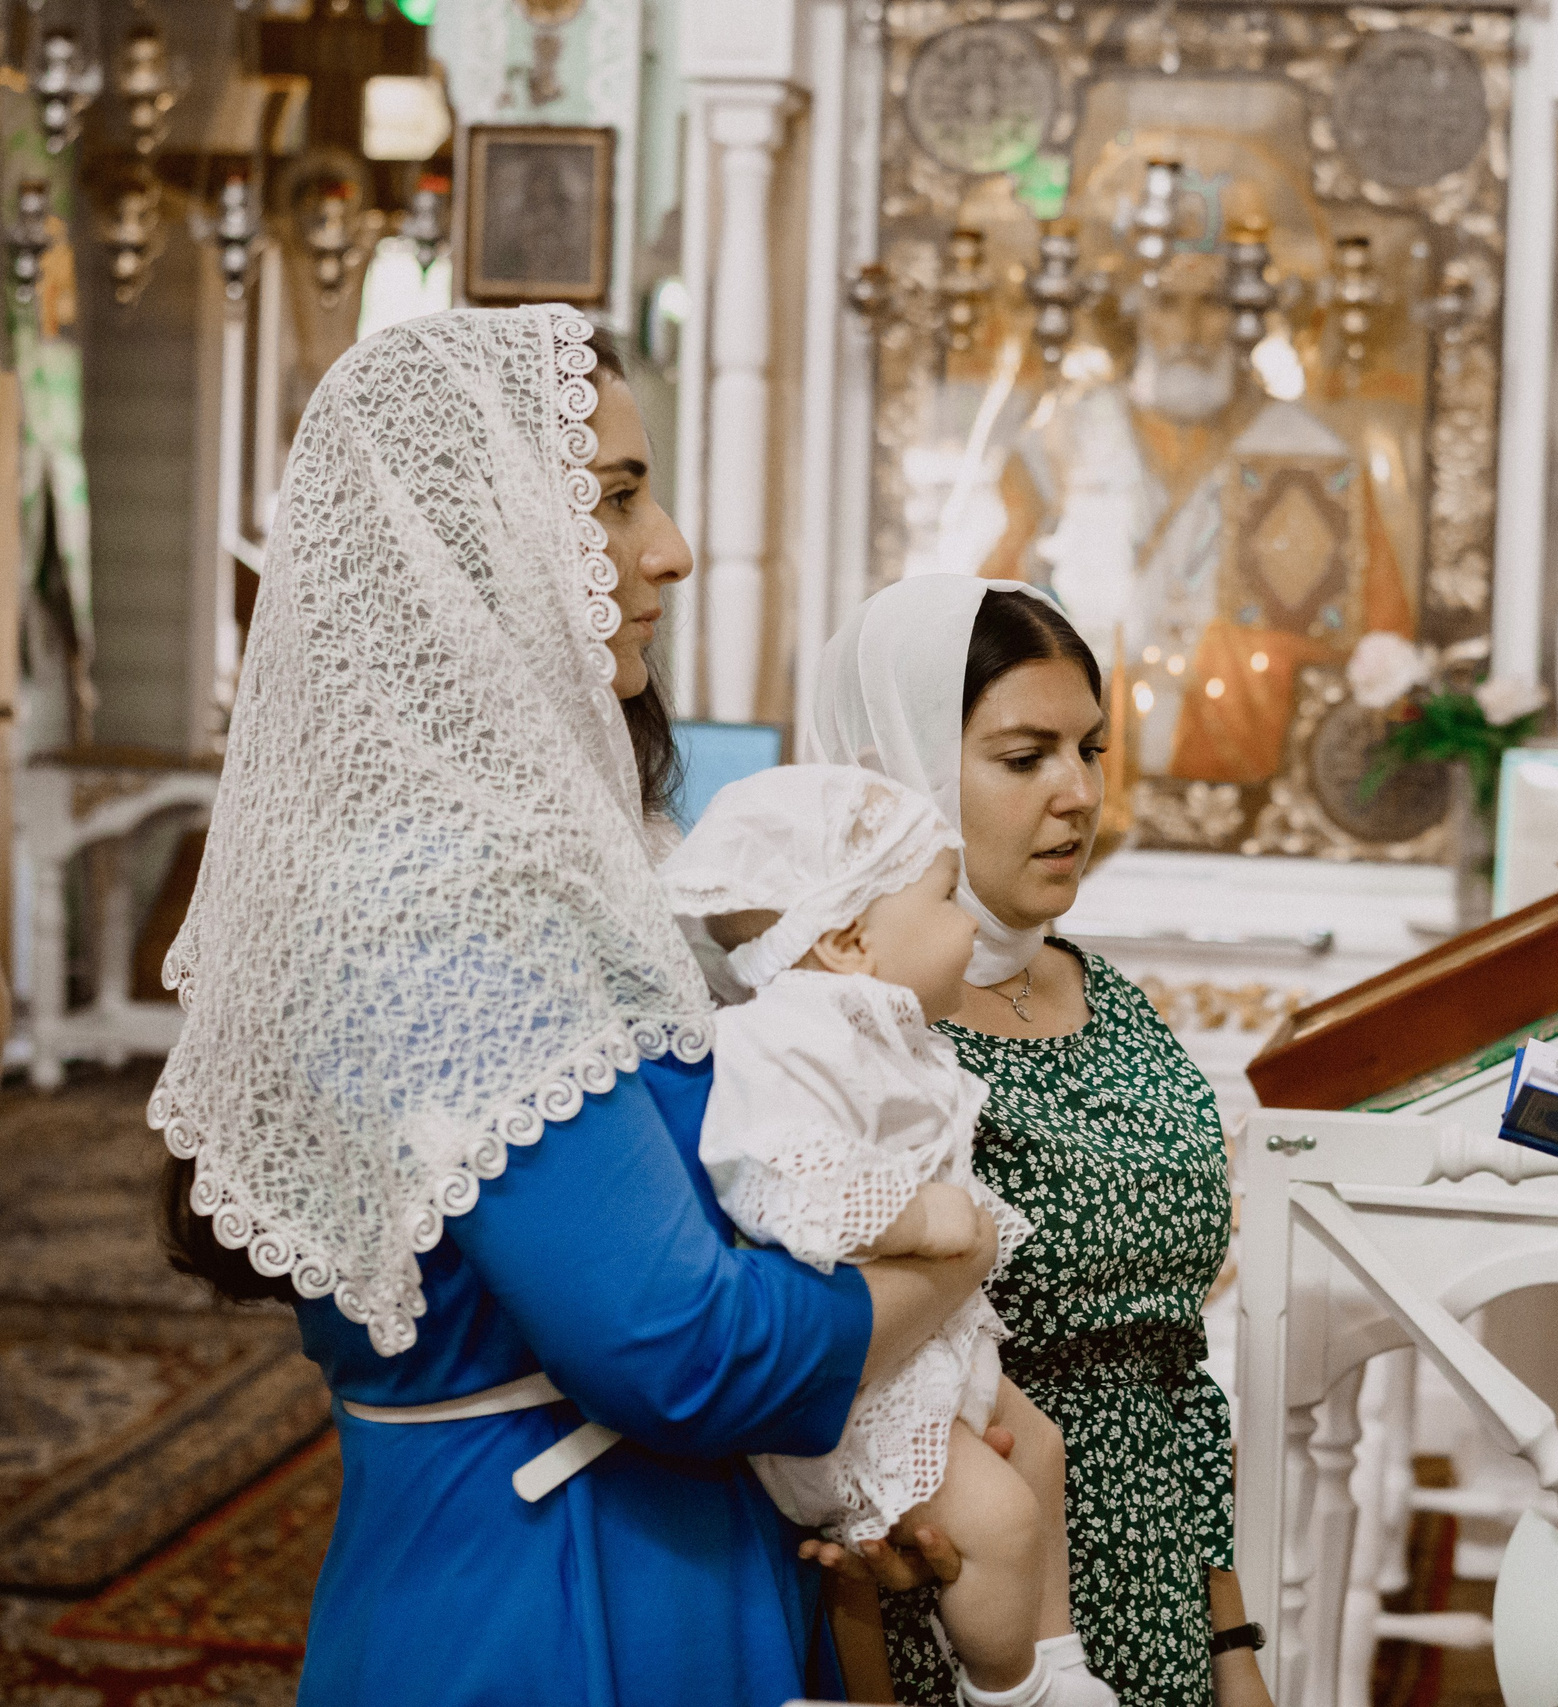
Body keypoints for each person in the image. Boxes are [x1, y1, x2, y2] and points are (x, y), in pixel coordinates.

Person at [152, 307, 996, 1705]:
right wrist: (949, 1259)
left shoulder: (544, 857)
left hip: (657, 1565)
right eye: (613, 497)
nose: (669, 544)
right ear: (467, 548)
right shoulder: (440, 911)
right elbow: (683, 1347)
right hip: (543, 1607)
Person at [804, 575, 1276, 1707]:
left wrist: (1232, 1650)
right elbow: (830, 1424)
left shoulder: (1107, 995)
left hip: (1162, 1614)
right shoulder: (857, 1045)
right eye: (1024, 759)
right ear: (903, 779)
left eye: (1092, 748)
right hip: (970, 1619)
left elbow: (1172, 1375)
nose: (1078, 795)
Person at [657, 764, 1113, 1707]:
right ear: (848, 938)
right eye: (945, 898)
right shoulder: (784, 1036)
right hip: (862, 1385)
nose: (968, 922)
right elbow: (777, 1174)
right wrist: (921, 1215)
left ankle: (1058, 1656)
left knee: (1041, 1450)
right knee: (1001, 1518)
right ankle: (1011, 1684)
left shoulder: (882, 1028)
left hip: (926, 1349)